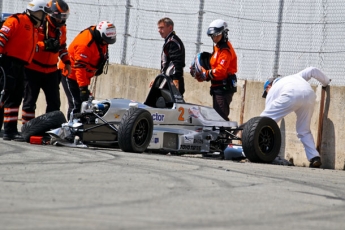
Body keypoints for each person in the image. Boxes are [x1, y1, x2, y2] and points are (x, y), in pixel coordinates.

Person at [0, 0, 52, 141]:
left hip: (21, 66)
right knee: (5, 96)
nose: (45, 18)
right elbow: (2, 38)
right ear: (36, 12)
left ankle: (10, 131)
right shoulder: (16, 20)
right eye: (43, 14)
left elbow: (29, 48)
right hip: (8, 63)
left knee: (15, 98)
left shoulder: (34, 28)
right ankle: (8, 130)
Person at [261, 67, 331, 168]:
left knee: (263, 121)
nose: (267, 94)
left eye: (266, 92)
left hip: (290, 94)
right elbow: (312, 70)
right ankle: (315, 158)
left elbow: (263, 122)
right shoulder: (295, 77)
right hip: (309, 95)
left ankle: (259, 151)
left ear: (268, 86)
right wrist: (326, 82)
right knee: (304, 130)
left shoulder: (272, 91)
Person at [22, 0, 71, 124]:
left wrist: (67, 62)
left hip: (51, 71)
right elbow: (30, 44)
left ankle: (49, 127)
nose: (61, 20)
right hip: (33, 69)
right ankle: (27, 127)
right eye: (59, 17)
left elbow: (62, 47)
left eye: (64, 17)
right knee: (29, 101)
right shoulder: (40, 24)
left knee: (54, 102)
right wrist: (45, 45)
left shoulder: (62, 28)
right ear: (52, 15)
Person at [59, 20, 116, 120]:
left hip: (83, 76)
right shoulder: (85, 44)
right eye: (105, 41)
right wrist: (83, 88)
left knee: (86, 104)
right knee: (76, 103)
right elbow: (79, 68)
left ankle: (82, 128)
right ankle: (70, 129)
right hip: (71, 73)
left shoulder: (101, 38)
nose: (106, 44)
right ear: (99, 35)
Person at [191, 19, 237, 121]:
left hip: (224, 88)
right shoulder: (218, 48)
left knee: (220, 117)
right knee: (218, 116)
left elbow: (220, 70)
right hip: (217, 87)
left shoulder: (225, 50)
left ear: (224, 34)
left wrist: (205, 73)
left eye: (217, 35)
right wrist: (199, 69)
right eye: (213, 36)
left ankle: (224, 135)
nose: (214, 38)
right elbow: (212, 65)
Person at [150, 17, 185, 96]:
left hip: (172, 81)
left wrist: (176, 80)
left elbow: (177, 62)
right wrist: (157, 80)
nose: (159, 30)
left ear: (170, 28)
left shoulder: (172, 42)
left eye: (162, 28)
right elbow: (166, 64)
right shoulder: (169, 41)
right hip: (167, 80)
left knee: (173, 106)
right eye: (159, 28)